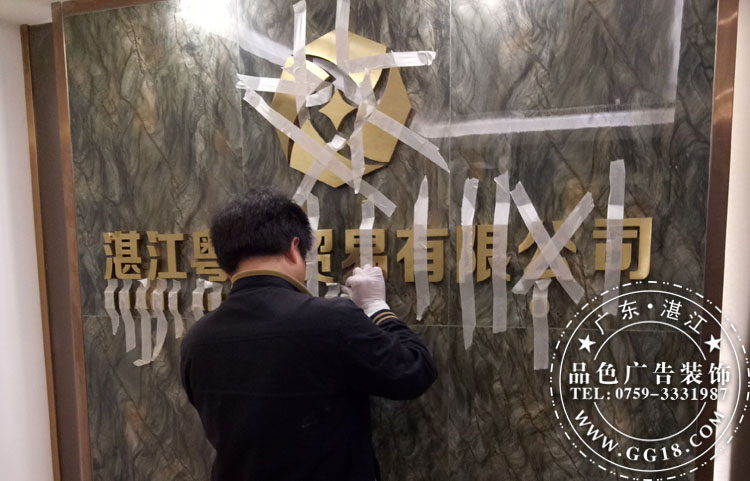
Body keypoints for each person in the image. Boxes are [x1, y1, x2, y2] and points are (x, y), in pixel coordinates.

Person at [180, 188, 437, 481]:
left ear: (226, 263)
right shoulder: (331, 320)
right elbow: (414, 371)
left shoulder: (197, 340)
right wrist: (376, 307)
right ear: (294, 248)